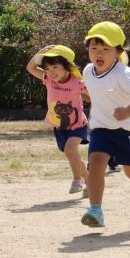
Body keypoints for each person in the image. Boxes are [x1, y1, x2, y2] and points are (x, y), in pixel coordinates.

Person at [81, 21, 130, 227]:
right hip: (101, 129)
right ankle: (95, 210)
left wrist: (128, 111)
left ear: (118, 52)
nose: (98, 53)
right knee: (95, 164)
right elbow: (97, 93)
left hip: (127, 130)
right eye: (94, 48)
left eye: (105, 49)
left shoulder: (124, 73)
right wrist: (86, 96)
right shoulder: (88, 71)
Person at [26, 44, 89, 195]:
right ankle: (89, 180)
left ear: (67, 65)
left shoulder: (77, 82)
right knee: (71, 154)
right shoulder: (48, 80)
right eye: (47, 68)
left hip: (78, 125)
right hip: (60, 126)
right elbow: (31, 68)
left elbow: (92, 97)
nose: (51, 72)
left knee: (70, 150)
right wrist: (41, 52)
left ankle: (77, 180)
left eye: (55, 67)